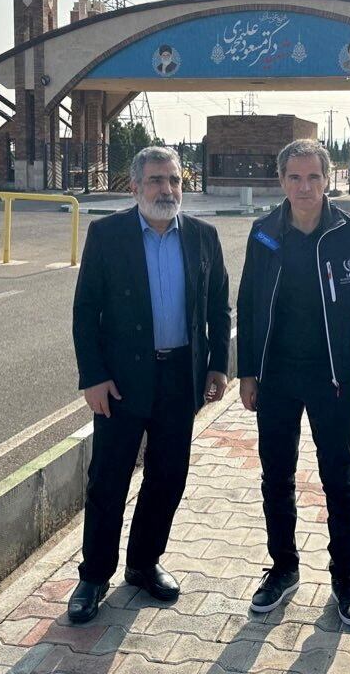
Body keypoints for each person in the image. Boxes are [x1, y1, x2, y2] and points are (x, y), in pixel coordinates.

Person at [68, 146, 230, 623]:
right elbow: (85, 311)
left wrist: (217, 365)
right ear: (135, 187)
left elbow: (218, 307)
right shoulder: (107, 235)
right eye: (157, 180)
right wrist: (93, 376)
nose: (167, 189)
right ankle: (93, 575)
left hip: (180, 378)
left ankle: (143, 563)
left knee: (167, 476)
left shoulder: (203, 237)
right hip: (120, 383)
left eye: (174, 180)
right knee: (109, 480)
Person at [237, 138, 350, 626]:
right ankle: (283, 568)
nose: (305, 187)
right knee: (275, 478)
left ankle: (345, 577)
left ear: (328, 179)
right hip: (277, 378)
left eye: (314, 177)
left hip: (335, 379)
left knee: (338, 481)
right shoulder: (264, 234)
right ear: (282, 182)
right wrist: (247, 372)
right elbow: (250, 305)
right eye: (295, 178)